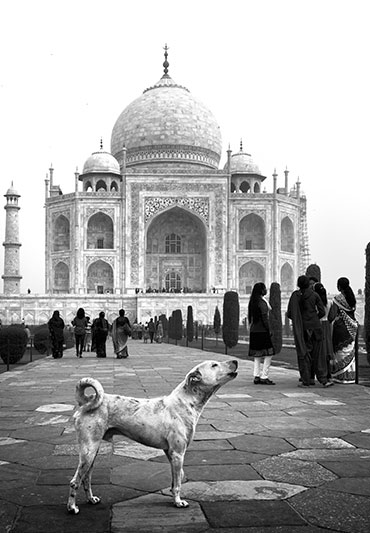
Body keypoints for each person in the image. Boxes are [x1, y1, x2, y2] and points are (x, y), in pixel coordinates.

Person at [287, 275, 332, 388]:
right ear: (308, 284)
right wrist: (314, 318)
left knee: (304, 354)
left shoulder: (295, 296)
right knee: (318, 355)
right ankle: (323, 379)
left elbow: (290, 313)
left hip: (303, 329)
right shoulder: (314, 295)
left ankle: (307, 380)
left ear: (298, 284)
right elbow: (322, 312)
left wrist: (300, 320)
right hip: (316, 327)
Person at [328, 277, 358, 384]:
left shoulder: (338, 299)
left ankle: (340, 376)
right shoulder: (352, 298)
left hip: (341, 327)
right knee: (349, 352)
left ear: (339, 286)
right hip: (352, 327)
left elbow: (331, 315)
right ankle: (350, 377)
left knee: (340, 352)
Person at [248, 282, 275, 385]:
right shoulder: (262, 303)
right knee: (269, 354)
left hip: (254, 330)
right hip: (262, 330)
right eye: (264, 289)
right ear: (261, 291)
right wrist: (269, 330)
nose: (266, 290)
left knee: (257, 355)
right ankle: (264, 376)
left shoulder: (253, 302)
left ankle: (256, 376)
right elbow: (264, 318)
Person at [314, 282, 334, 381]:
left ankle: (322, 374)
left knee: (320, 350)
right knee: (327, 349)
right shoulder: (329, 302)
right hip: (327, 325)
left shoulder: (316, 303)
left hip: (319, 325)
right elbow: (332, 315)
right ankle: (329, 374)